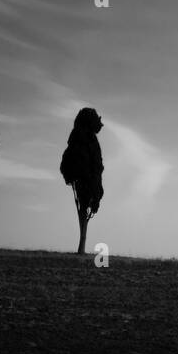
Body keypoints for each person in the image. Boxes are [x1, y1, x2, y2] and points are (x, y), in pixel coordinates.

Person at [60, 108, 104, 252]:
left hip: (83, 177)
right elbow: (95, 163)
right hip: (84, 177)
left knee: (83, 207)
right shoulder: (85, 139)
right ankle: (82, 245)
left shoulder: (78, 136)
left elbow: (71, 154)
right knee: (83, 206)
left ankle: (82, 245)